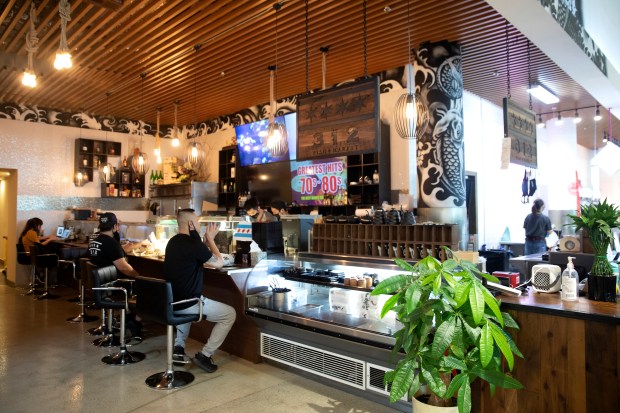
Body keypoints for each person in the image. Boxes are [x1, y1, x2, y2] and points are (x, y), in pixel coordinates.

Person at [163, 208, 235, 373]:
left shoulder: (172, 242)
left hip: (173, 300)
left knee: (185, 305)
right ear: (190, 224)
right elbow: (218, 263)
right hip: (190, 302)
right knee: (229, 314)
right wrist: (210, 238)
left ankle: (178, 348)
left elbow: (196, 256)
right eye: (197, 223)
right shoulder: (193, 244)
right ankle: (205, 355)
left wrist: (201, 241)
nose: (199, 226)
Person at [88, 212, 142, 337]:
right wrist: (139, 277)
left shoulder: (94, 241)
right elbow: (124, 268)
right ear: (115, 226)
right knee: (147, 287)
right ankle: (134, 322)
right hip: (113, 286)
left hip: (100, 284)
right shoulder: (111, 243)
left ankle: (127, 317)